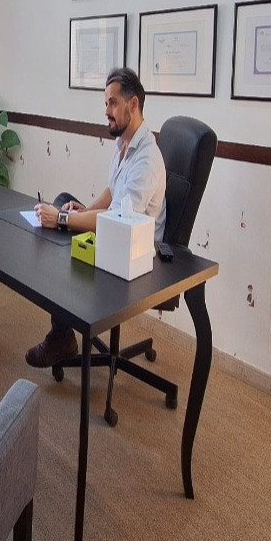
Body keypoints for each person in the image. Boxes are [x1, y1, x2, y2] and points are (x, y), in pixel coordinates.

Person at [26, 66, 167, 368]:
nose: (106, 111)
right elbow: (112, 192)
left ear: (133, 104)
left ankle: (61, 338)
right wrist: (82, 211)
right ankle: (63, 332)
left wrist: (62, 220)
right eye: (106, 103)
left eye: (112, 103)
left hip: (133, 252)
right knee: (64, 201)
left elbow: (117, 218)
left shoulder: (147, 159)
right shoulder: (124, 144)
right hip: (115, 233)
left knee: (62, 230)